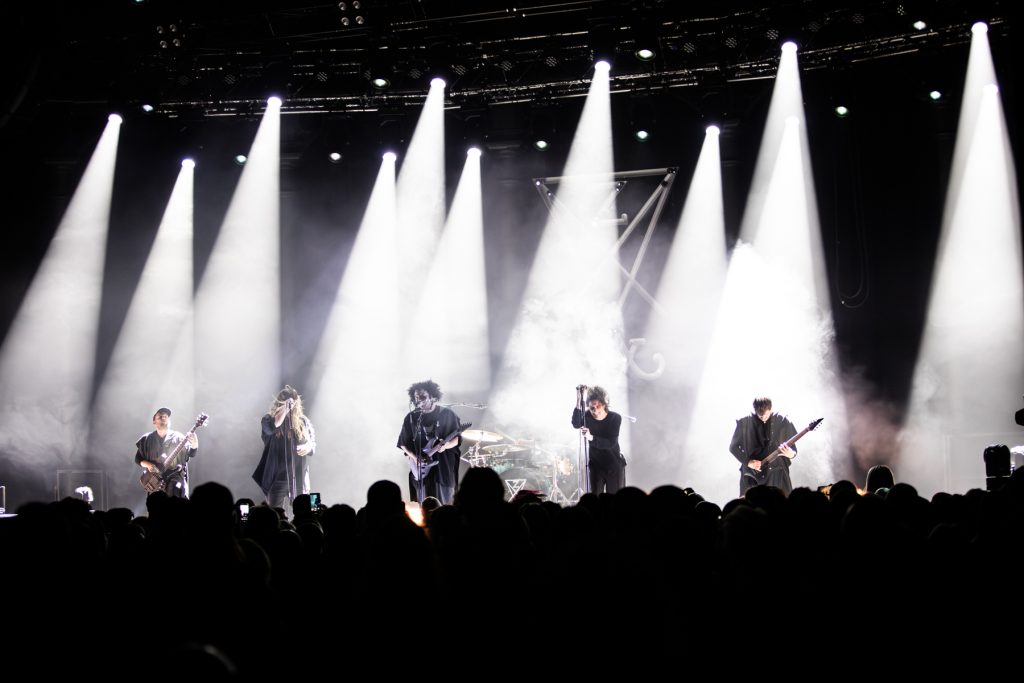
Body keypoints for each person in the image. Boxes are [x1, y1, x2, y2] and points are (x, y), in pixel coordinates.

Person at [397, 380, 462, 505]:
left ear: (432, 396)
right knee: (424, 502)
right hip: (421, 469)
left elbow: (457, 438)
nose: (419, 400)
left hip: (443, 466)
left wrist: (446, 445)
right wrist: (415, 458)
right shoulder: (412, 417)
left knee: (445, 502)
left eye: (422, 396)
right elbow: (403, 443)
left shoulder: (447, 414)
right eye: (416, 397)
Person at [252, 385, 316, 510]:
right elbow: (272, 427)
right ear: (279, 403)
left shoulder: (303, 421)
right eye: (286, 401)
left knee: (303, 511)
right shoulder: (267, 420)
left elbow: (312, 443)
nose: (291, 405)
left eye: (293, 402)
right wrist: (285, 409)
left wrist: (308, 447)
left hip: (298, 476)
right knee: (275, 512)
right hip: (277, 478)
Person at [729, 397, 797, 497]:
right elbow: (733, 447)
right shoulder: (744, 423)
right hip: (752, 474)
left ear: (771, 409)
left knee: (781, 506)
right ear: (755, 410)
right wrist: (748, 462)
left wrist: (791, 454)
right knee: (752, 507)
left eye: (766, 415)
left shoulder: (782, 421)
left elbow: (794, 450)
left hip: (777, 473)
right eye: (760, 416)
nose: (763, 417)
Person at [135, 407, 199, 499]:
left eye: (165, 416)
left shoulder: (179, 437)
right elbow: (138, 459)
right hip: (155, 481)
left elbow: (192, 454)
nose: (163, 418)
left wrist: (195, 443)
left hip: (174, 479)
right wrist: (148, 465)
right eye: (160, 417)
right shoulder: (147, 439)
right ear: (154, 421)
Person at [571, 385, 625, 494]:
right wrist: (578, 400)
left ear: (604, 404)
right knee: (595, 499)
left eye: (598, 406)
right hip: (596, 465)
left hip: (613, 465)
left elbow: (610, 443)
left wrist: (591, 437)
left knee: (614, 500)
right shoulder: (587, 416)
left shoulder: (615, 418)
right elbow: (576, 423)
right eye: (591, 408)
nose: (595, 411)